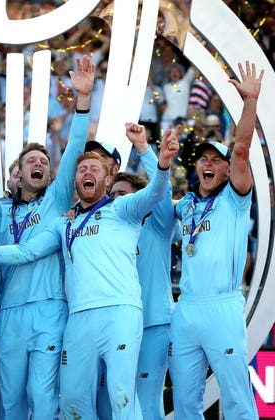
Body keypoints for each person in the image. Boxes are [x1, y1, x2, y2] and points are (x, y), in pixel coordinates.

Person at [0, 124, 180, 419]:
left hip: (119, 312)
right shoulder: (64, 223)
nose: (87, 173)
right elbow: (26, 251)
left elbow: (156, 191)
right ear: (74, 180)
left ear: (108, 180)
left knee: (122, 399)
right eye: (81, 170)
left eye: (95, 169)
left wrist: (154, 155)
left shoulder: (123, 209)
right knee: (72, 403)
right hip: (78, 319)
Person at [0, 55, 93, 420]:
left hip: (49, 308)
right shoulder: (0, 211)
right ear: (16, 175)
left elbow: (74, 150)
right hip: (9, 313)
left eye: (44, 161)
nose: (40, 163)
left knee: (43, 394)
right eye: (31, 161)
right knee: (10, 401)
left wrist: (82, 102)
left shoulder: (54, 201)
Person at [169, 61, 263, 419]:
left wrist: (249, 102)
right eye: (202, 159)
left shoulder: (234, 200)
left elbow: (241, 150)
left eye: (215, 160)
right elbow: (153, 203)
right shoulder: (188, 204)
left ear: (226, 170)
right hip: (187, 307)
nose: (208, 163)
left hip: (222, 307)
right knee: (184, 404)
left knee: (237, 399)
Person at [111, 123, 178, 419]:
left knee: (147, 401)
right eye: (113, 195)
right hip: (118, 326)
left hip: (153, 325)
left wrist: (144, 150)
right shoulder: (107, 233)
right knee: (121, 402)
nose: (118, 201)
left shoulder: (159, 224)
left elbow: (162, 192)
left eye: (124, 194)